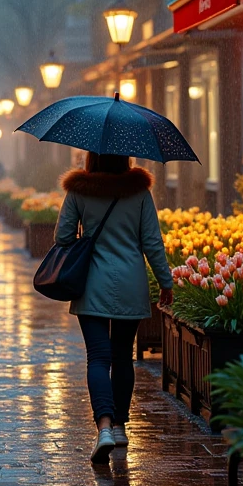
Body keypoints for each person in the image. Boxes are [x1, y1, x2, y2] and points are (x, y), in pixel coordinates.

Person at [54, 151, 173, 467]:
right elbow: (152, 242)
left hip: (92, 282)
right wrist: (166, 281)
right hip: (129, 284)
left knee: (98, 356)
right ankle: (120, 426)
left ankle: (103, 426)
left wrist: (86, 231)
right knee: (122, 355)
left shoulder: (79, 190)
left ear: (92, 155)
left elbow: (63, 237)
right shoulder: (139, 192)